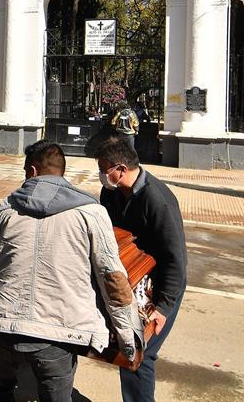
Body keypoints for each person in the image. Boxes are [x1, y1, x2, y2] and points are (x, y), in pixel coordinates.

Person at [0, 140, 142, 402]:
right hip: (59, 334)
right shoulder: (91, 213)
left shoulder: (4, 211)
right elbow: (112, 278)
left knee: (0, 389)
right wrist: (129, 337)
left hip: (3, 327)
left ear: (32, 172)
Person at [96, 138, 187, 402]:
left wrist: (163, 308)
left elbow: (175, 260)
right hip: (132, 280)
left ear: (121, 169)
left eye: (104, 169)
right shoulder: (111, 192)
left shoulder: (158, 201)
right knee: (128, 349)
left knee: (138, 353)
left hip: (160, 286)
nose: (102, 175)